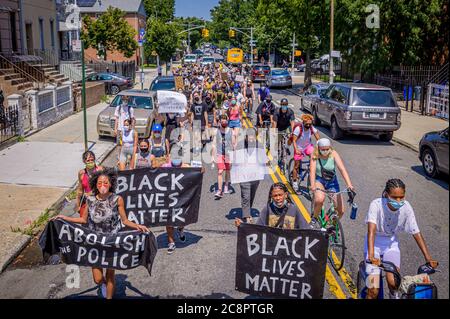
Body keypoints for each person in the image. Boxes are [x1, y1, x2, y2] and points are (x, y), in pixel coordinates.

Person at [51, 169, 149, 299]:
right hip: (94, 243)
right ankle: (102, 285)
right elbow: (83, 220)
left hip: (111, 242)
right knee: (97, 278)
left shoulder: (117, 199)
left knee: (110, 275)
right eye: (100, 183)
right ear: (95, 185)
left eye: (105, 182)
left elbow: (125, 221)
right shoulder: (90, 200)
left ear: (110, 184)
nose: (102, 185)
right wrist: (64, 218)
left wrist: (138, 226)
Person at [365, 179, 438, 299]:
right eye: (394, 197)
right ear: (386, 195)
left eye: (401, 197)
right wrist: (372, 256)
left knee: (394, 283)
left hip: (391, 244)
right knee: (373, 290)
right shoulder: (376, 204)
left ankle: (393, 295)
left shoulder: (407, 207)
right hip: (374, 244)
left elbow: (416, 232)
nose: (398, 201)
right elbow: (371, 231)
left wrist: (428, 258)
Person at [309, 138, 354, 228]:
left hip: (332, 182)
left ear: (330, 148)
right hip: (320, 181)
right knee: (319, 200)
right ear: (318, 148)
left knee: (340, 211)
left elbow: (342, 169)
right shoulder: (315, 155)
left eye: (327, 149)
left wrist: (349, 185)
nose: (325, 151)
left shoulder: (333, 154)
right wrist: (313, 185)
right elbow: (312, 171)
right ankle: (315, 218)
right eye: (323, 149)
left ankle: (331, 224)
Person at [235, 182, 308, 229]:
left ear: (285, 195)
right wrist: (242, 226)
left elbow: (306, 230)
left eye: (280, 195)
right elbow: (258, 229)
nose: (278, 198)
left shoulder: (294, 209)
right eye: (275, 196)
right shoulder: (267, 209)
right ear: (271, 196)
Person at [237, 128, 262, 223]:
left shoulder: (259, 145)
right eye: (249, 136)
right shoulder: (240, 145)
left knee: (251, 195)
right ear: (246, 137)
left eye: (253, 136)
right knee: (246, 195)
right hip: (244, 174)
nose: (251, 138)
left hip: (255, 175)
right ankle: (247, 216)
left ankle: (247, 210)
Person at [290, 113, 320, 192]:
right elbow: (294, 140)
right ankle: (295, 182)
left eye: (310, 124)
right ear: (303, 123)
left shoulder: (311, 128)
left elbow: (318, 138)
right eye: (307, 124)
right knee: (296, 166)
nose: (308, 125)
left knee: (314, 156)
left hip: (307, 147)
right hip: (299, 148)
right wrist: (296, 149)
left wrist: (321, 147)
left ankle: (312, 170)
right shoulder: (298, 129)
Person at [75, 151, 103, 218]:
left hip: (99, 201)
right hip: (87, 202)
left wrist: (92, 192)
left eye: (92, 160)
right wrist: (78, 205)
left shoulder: (100, 170)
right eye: (88, 160)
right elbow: (80, 190)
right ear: (84, 161)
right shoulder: (81, 173)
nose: (90, 162)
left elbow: (104, 186)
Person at [212, 115, 233, 199]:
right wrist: (213, 158)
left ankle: (226, 185)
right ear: (219, 121)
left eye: (225, 120)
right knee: (220, 171)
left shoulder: (231, 131)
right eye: (222, 120)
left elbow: (234, 145)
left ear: (227, 121)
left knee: (227, 170)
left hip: (228, 154)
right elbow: (213, 145)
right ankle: (219, 190)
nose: (224, 122)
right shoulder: (216, 131)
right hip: (220, 154)